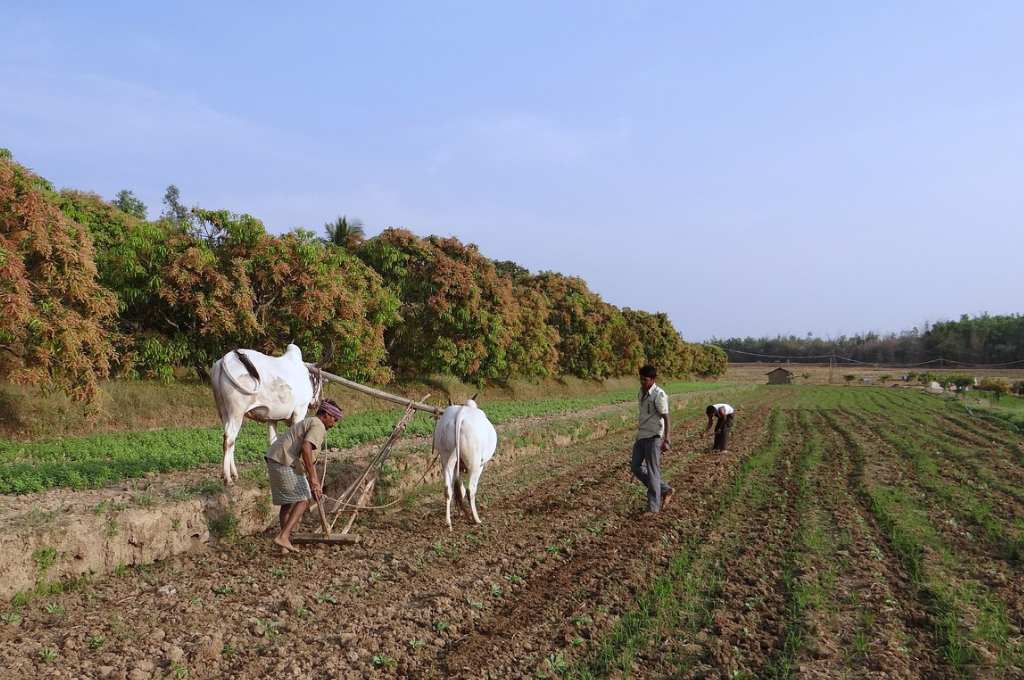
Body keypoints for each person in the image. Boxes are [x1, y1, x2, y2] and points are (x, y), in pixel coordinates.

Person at [264, 399, 343, 553]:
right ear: (326, 415)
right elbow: (306, 448)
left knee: (288, 503)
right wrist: (314, 480)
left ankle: (283, 544)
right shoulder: (318, 425)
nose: (334, 424)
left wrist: (311, 479)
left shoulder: (310, 421)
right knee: (303, 499)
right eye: (334, 419)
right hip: (284, 461)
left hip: (276, 458)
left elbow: (305, 457)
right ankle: (284, 536)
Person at [631, 365, 673, 513]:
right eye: (641, 379)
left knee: (653, 471)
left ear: (653, 379)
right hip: (642, 435)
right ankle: (664, 488)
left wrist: (666, 440)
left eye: (645, 379)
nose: (642, 382)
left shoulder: (658, 394)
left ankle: (653, 508)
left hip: (654, 436)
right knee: (635, 467)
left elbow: (666, 417)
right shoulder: (641, 392)